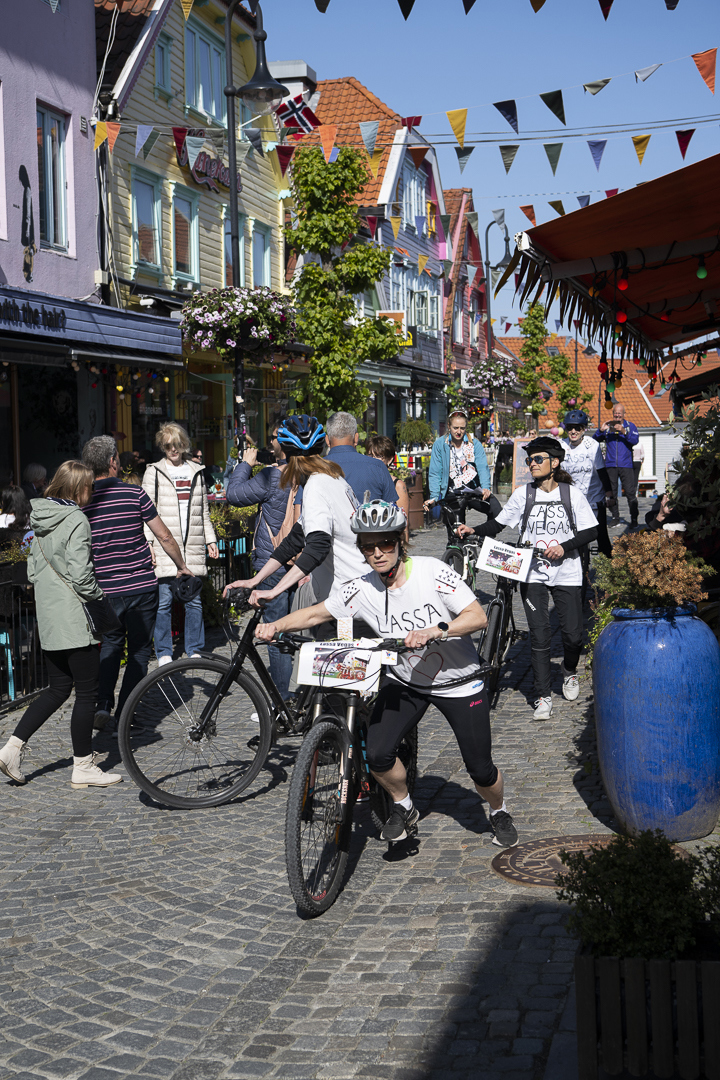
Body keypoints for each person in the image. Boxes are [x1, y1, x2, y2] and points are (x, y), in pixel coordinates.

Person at [254, 500, 519, 848]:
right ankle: (403, 805)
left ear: (400, 541)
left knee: (480, 768)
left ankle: (499, 810)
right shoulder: (362, 587)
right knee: (377, 754)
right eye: (368, 546)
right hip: (407, 681)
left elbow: (477, 617)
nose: (378, 553)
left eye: (385, 543)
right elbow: (317, 613)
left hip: (458, 682)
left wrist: (436, 631)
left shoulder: (431, 572)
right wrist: (275, 625)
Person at [0, 461, 122, 788]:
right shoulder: (76, 519)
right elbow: (82, 576)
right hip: (75, 618)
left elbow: (33, 571)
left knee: (57, 689)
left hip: (51, 617)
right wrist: (99, 598)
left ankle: (11, 749)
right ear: (78, 488)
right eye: (89, 486)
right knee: (87, 693)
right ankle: (83, 766)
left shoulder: (39, 516)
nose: (92, 492)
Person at [458, 436, 598, 720]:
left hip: (567, 572)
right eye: (529, 459)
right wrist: (474, 530)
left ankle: (569, 671)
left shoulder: (571, 494)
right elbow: (498, 524)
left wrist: (564, 546)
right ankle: (542, 695)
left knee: (573, 636)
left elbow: (591, 530)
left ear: (554, 463)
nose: (531, 463)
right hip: (532, 571)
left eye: (537, 459)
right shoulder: (524, 494)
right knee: (540, 634)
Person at [81, 436, 193, 729]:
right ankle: (126, 713)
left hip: (105, 589)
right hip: (141, 586)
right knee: (140, 651)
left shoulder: (84, 500)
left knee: (110, 645)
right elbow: (164, 535)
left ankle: (103, 704)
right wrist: (182, 566)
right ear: (112, 462)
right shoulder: (134, 494)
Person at [224, 415, 366, 613]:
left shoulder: (316, 485)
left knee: (288, 629)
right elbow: (294, 540)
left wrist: (274, 591)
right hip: (347, 590)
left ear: (288, 455)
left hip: (348, 596)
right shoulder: (330, 478)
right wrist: (255, 580)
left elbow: (317, 546)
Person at [225, 420, 295, 698]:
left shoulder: (273, 477)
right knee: (299, 629)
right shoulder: (310, 474)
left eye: (274, 437)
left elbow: (234, 494)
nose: (271, 442)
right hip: (304, 563)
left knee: (274, 632)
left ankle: (281, 699)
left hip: (272, 563)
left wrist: (245, 464)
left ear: (283, 442)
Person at [142, 423, 218, 665]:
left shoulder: (196, 471)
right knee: (163, 602)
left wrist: (210, 538)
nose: (172, 450)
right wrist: (148, 542)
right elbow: (146, 511)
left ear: (183, 444)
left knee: (193, 601)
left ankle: (194, 649)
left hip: (191, 544)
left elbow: (202, 511)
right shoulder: (153, 472)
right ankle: (164, 651)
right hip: (165, 545)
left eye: (176, 445)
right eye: (167, 446)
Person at [561, 410, 614, 558]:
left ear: (583, 429)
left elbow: (602, 471)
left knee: (601, 535)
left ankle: (608, 566)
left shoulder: (592, 445)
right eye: (569, 428)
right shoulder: (561, 446)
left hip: (593, 497)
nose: (573, 431)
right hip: (571, 498)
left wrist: (609, 495)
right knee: (572, 536)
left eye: (577, 428)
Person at [424, 410, 491, 513]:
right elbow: (435, 473)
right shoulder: (440, 444)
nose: (459, 432)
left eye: (462, 428)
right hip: (452, 492)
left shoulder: (474, 443)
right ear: (449, 426)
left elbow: (482, 467)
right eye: (455, 428)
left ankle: (481, 525)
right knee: (456, 518)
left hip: (473, 491)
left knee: (496, 510)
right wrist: (434, 497)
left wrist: (486, 487)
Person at [324, 412, 397, 504]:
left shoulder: (314, 469)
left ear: (327, 440)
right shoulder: (378, 467)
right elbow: (392, 509)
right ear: (356, 438)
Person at [593, 403, 639, 528]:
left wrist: (624, 431)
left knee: (630, 492)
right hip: (610, 464)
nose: (617, 415)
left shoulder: (630, 426)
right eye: (615, 413)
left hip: (626, 464)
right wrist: (601, 430)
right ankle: (615, 518)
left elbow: (635, 440)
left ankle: (634, 518)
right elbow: (594, 440)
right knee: (611, 493)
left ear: (624, 414)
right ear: (613, 414)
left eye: (620, 413)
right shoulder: (608, 427)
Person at [367, 435, 409, 541]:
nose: (373, 460)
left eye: (379, 456)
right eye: (370, 455)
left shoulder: (398, 485)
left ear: (389, 459)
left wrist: (404, 547)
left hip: (389, 541)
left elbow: (404, 523)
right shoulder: (364, 481)